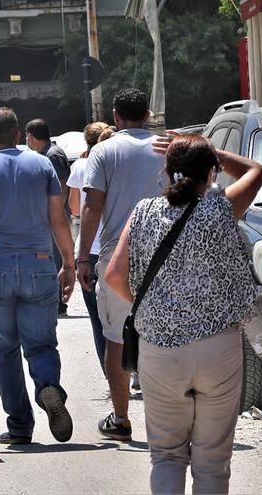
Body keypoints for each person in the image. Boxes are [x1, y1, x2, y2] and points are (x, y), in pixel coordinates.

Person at [104, 133, 262, 494]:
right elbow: (255, 169)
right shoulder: (222, 209)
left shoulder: (143, 212)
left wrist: (155, 307)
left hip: (159, 351)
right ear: (211, 173)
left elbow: (113, 276)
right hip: (217, 347)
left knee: (167, 456)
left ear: (166, 172)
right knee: (212, 459)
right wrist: (211, 150)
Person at [0, 107, 76, 446]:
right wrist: (67, 261)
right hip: (39, 266)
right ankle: (48, 387)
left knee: (3, 350)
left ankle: (20, 425)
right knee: (41, 344)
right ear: (18, 136)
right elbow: (58, 217)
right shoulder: (42, 165)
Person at [76, 88, 167, 441]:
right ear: (147, 115)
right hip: (165, 255)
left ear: (115, 116)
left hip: (118, 258)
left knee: (115, 340)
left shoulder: (103, 150)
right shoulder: (166, 148)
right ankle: (167, 417)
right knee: (164, 338)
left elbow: (92, 206)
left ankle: (121, 418)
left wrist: (84, 257)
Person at [66, 121, 109, 372]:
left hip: (90, 249)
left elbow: (74, 208)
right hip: (119, 244)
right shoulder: (116, 161)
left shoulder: (81, 165)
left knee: (98, 318)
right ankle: (134, 366)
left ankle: (111, 373)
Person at [25, 119, 71, 315]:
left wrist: (55, 214)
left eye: (27, 135)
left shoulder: (52, 155)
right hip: (51, 215)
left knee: (54, 258)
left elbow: (62, 186)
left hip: (54, 217)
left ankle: (58, 300)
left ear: (31, 136)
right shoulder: (47, 153)